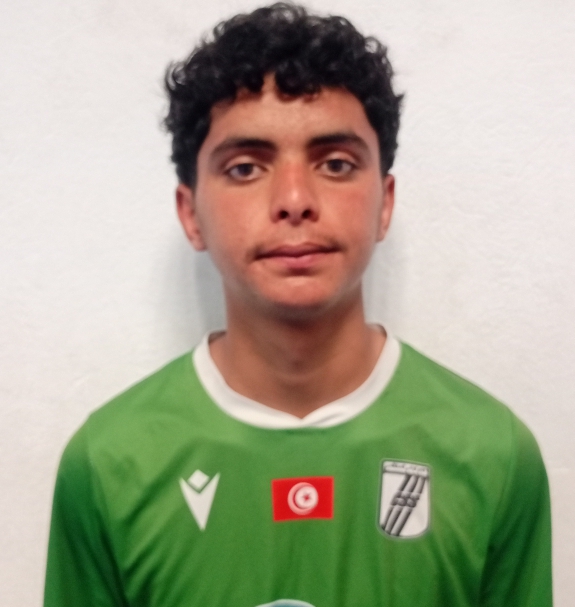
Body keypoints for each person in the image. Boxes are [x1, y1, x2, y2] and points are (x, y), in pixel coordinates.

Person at [44, 4, 552, 607]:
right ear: (191, 213)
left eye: (335, 164)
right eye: (245, 168)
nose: (293, 199)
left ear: (385, 203)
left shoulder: (492, 454)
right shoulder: (108, 464)